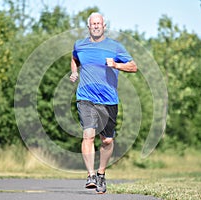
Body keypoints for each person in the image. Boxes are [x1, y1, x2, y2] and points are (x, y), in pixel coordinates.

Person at [69, 12, 137, 194]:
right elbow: (74, 58)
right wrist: (74, 72)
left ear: (104, 26)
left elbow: (134, 66)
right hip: (86, 98)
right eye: (93, 24)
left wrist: (117, 65)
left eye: (99, 23)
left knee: (107, 140)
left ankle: (101, 173)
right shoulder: (80, 45)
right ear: (89, 26)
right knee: (88, 135)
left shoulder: (115, 47)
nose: (96, 26)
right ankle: (90, 175)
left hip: (108, 100)